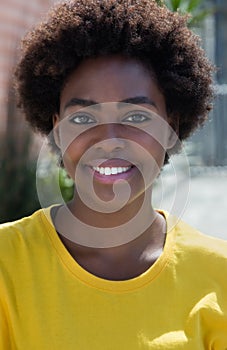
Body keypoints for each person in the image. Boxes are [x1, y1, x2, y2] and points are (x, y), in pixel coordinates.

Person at [0, 0, 226, 348]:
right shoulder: (6, 264)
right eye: (83, 118)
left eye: (136, 117)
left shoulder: (218, 274)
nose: (108, 140)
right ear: (57, 130)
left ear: (171, 126)